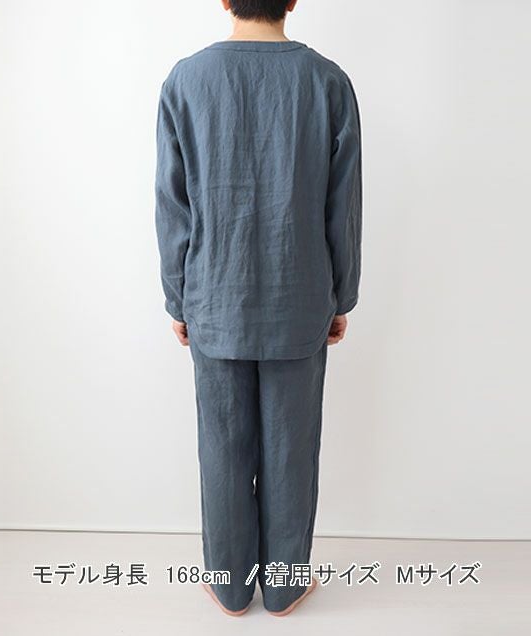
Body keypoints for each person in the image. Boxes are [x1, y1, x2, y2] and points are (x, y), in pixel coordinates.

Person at [155, 0, 362, 617]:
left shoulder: (186, 80)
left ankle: (228, 587)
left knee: (222, 450)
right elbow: (343, 206)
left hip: (214, 298)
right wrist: (342, 295)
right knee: (291, 449)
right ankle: (284, 586)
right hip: (300, 299)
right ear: (291, 0)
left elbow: (172, 205)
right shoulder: (327, 82)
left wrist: (178, 296)